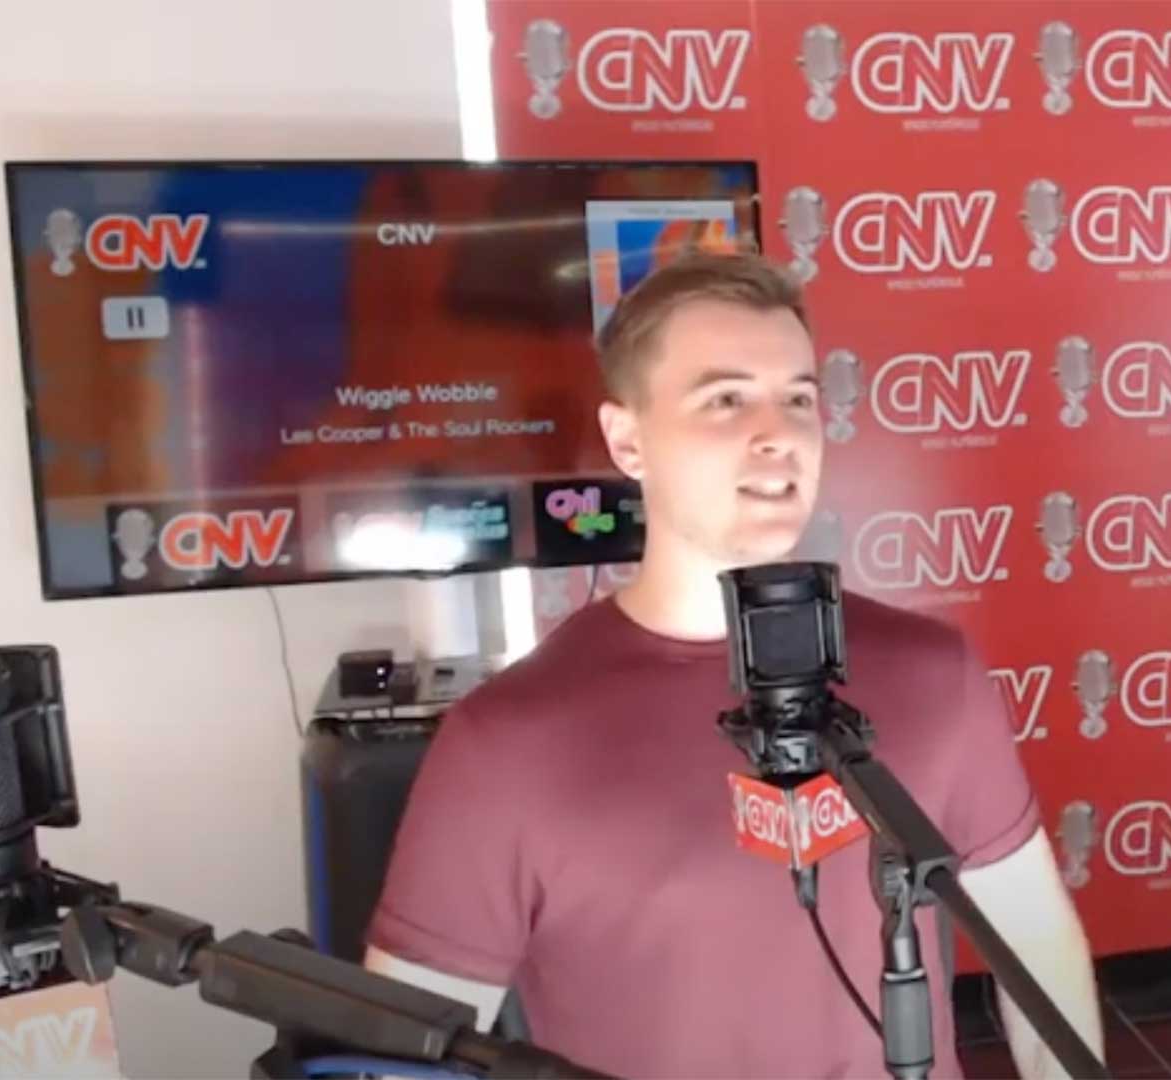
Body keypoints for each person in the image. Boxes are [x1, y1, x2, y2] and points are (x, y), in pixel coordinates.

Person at [364, 251, 1105, 1078]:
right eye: (725, 399)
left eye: (798, 398)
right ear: (628, 439)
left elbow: (1035, 945)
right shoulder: (506, 741)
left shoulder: (935, 674)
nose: (779, 434)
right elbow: (404, 1060)